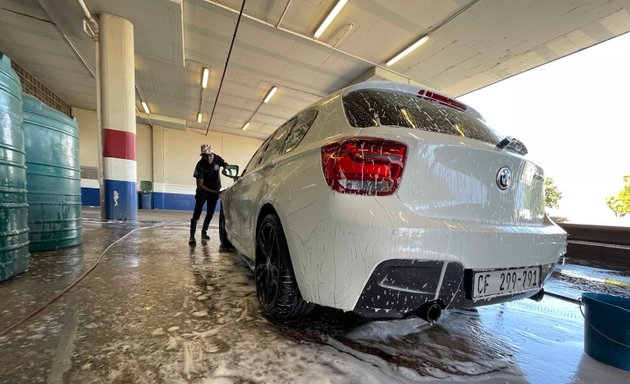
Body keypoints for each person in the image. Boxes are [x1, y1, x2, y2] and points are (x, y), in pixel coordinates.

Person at [189, 144, 228, 245]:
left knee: (210, 212)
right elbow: (199, 185)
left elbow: (226, 165)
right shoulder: (200, 165)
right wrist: (215, 192)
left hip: (215, 189)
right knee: (197, 212)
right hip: (203, 191)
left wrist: (227, 169)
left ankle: (204, 232)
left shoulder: (217, 159)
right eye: (205, 155)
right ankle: (192, 236)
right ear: (202, 156)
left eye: (209, 155)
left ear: (212, 154)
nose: (208, 158)